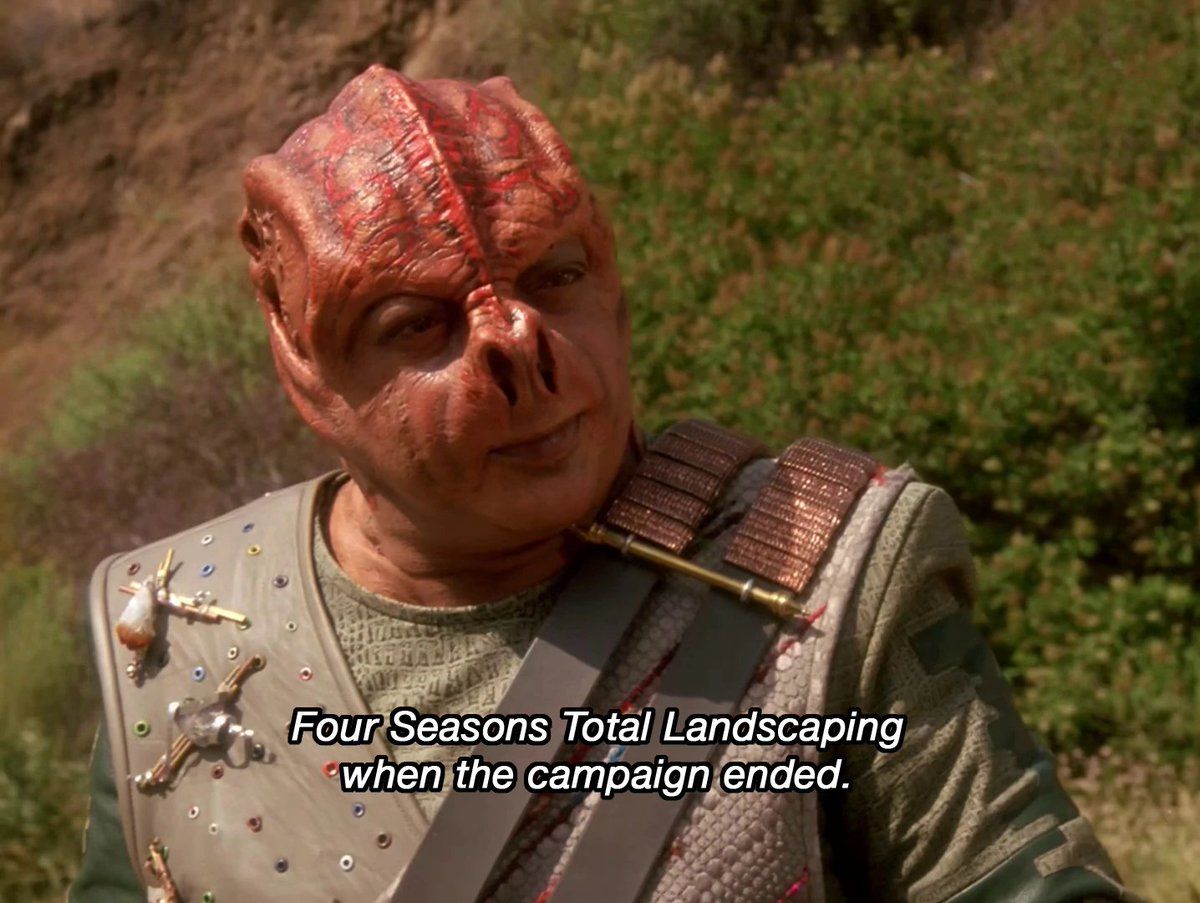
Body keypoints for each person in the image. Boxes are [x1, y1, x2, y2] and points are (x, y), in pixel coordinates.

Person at [71, 66, 1134, 903]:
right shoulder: (172, 630)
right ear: (308, 368)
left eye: (557, 277)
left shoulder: (830, 571)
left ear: (615, 288)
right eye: (418, 323)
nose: (522, 353)